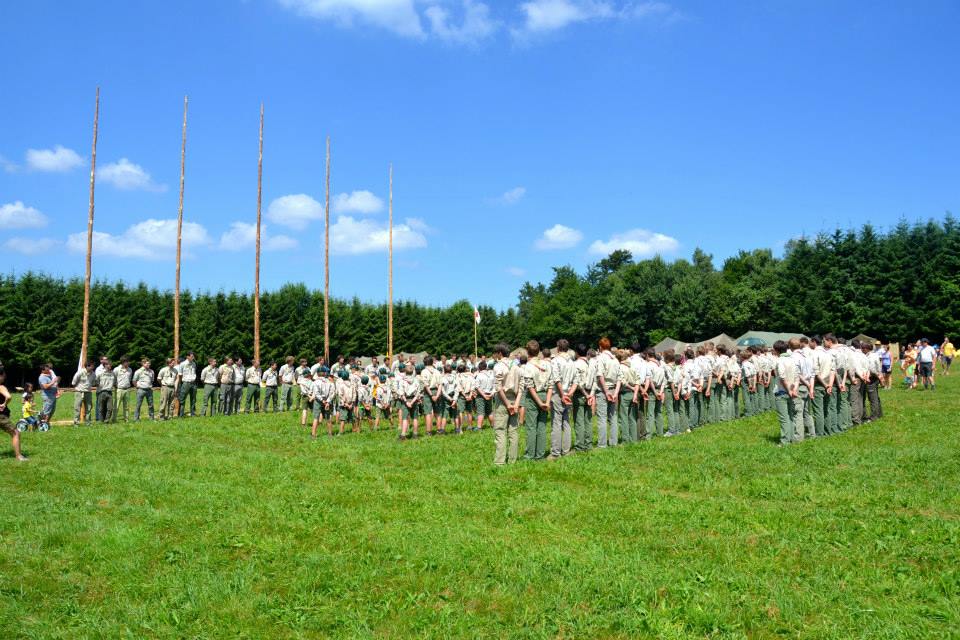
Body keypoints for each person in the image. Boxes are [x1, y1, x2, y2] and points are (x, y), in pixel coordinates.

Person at [520, 340, 551, 459]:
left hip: (533, 397)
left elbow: (530, 386)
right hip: (544, 395)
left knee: (531, 427)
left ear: (527, 352)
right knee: (542, 426)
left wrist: (539, 402)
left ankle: (530, 455)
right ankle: (540, 454)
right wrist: (547, 402)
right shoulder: (546, 364)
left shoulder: (528, 366)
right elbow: (551, 384)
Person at [492, 342, 521, 466]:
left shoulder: (498, 366)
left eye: (495, 353)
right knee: (513, 431)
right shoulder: (517, 367)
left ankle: (499, 461)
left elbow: (498, 388)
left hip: (503, 401)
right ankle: (513, 460)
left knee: (500, 430)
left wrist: (508, 404)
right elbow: (521, 388)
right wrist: (516, 404)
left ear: (499, 353)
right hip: (515, 399)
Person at [549, 340, 576, 458]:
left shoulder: (555, 361)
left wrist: (563, 395)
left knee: (556, 423)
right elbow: (576, 381)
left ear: (558, 348)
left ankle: (555, 452)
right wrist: (569, 394)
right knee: (566, 422)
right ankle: (566, 450)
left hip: (558, 395)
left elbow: (557, 379)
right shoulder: (572, 362)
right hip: (568, 395)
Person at [773, 340, 801, 446]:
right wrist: (794, 390)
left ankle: (785, 441)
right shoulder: (793, 359)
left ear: (776, 350)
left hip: (782, 392)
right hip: (792, 391)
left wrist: (789, 390)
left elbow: (782, 377)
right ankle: (791, 438)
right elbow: (798, 376)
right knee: (790, 416)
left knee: (784, 418)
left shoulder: (780, 361)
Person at [594, 337, 620, 448]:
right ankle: (614, 442)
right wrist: (615, 393)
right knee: (613, 417)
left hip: (603, 390)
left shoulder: (600, 358)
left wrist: (606, 392)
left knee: (602, 418)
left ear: (600, 347)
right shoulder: (615, 359)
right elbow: (620, 378)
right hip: (614, 389)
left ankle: (602, 444)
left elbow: (600, 375)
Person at [0, 366, 28, 461]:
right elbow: (9, 397)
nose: (5, 377)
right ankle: (18, 456)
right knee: (15, 433)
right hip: (1, 416)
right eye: (4, 376)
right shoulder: (1, 386)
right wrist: (4, 404)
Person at [398, 362, 422, 440]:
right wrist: (412, 402)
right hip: (414, 400)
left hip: (406, 400)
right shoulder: (416, 380)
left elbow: (401, 393)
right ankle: (415, 434)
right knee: (415, 418)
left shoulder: (402, 381)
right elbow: (418, 394)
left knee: (405, 418)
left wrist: (407, 402)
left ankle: (403, 435)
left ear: (405, 371)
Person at [71, 361, 96, 426]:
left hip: (88, 392)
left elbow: (93, 383)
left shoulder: (93, 374)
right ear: (87, 366)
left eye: (93, 366)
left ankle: (88, 422)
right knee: (77, 407)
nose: (93, 367)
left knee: (89, 407)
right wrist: (78, 388)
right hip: (79, 392)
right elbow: (74, 381)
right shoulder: (80, 372)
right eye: (92, 366)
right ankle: (76, 422)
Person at [474, 360, 494, 431]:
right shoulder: (491, 375)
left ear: (479, 368)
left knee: (480, 411)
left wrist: (483, 395)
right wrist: (492, 393)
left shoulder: (479, 375)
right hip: (490, 395)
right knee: (489, 411)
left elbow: (477, 387)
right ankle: (493, 425)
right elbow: (495, 386)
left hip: (481, 396)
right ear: (486, 367)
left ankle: (479, 427)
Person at [177, 352, 198, 417]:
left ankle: (192, 413)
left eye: (193, 356)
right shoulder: (182, 364)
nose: (193, 358)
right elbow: (180, 374)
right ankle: (181, 414)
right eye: (191, 356)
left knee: (193, 399)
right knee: (182, 399)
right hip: (185, 383)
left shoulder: (194, 364)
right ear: (187, 357)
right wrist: (181, 383)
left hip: (193, 383)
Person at [113, 357, 133, 422]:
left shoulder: (130, 369)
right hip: (119, 389)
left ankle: (126, 419)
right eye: (127, 362)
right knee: (116, 405)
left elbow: (129, 379)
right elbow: (114, 379)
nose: (129, 363)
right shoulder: (116, 369)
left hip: (127, 389)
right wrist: (116, 386)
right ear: (123, 362)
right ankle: (114, 419)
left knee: (126, 406)